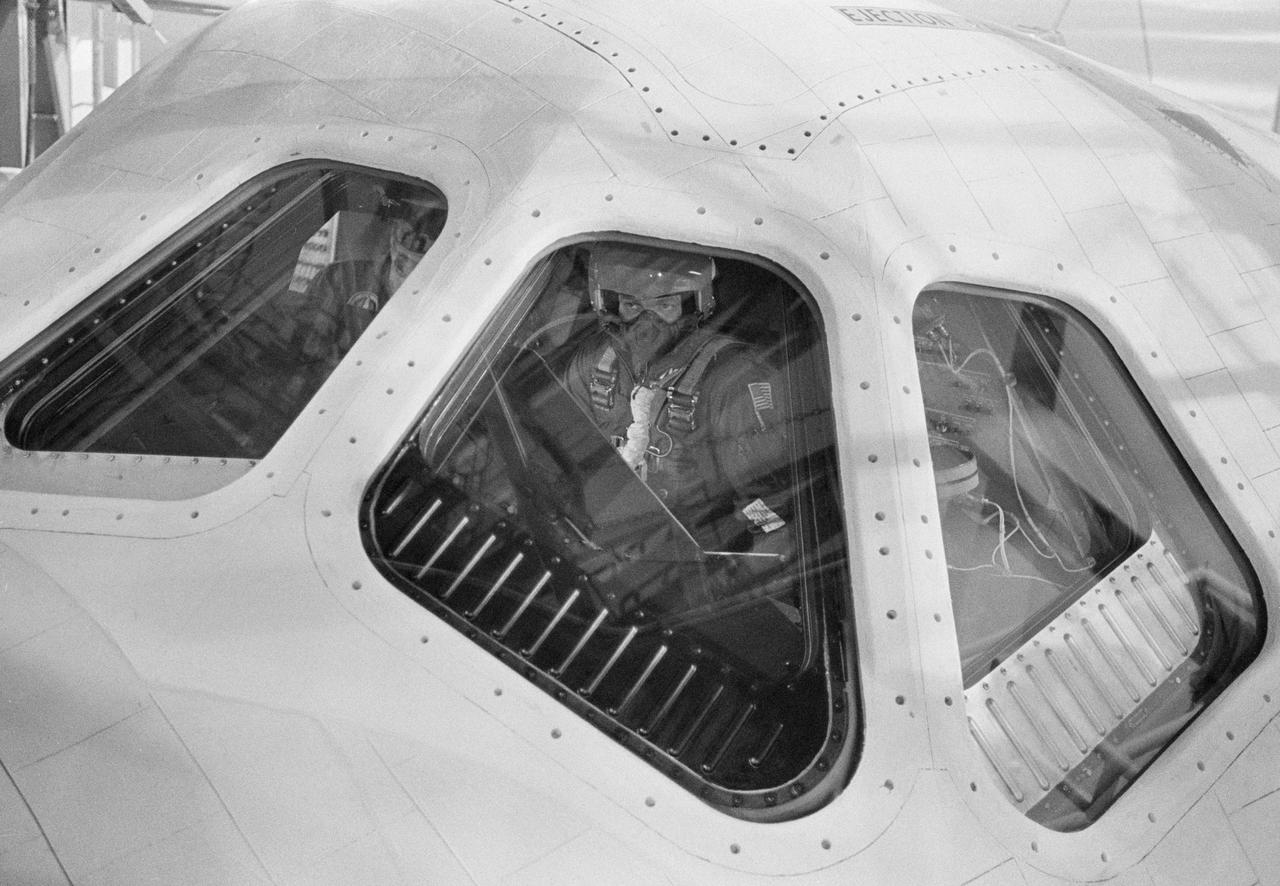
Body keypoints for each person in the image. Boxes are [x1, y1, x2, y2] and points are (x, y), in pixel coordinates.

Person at [562, 243, 795, 603]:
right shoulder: (596, 365)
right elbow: (563, 457)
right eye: (632, 305)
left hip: (679, 569)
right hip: (600, 543)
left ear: (691, 307)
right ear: (613, 307)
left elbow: (771, 521)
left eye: (665, 305)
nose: (646, 322)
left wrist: (719, 589)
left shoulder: (734, 385)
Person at [290, 185, 446, 391]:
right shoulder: (342, 278)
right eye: (406, 214)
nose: (414, 233)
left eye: (432, 223)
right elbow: (306, 351)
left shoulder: (454, 308)